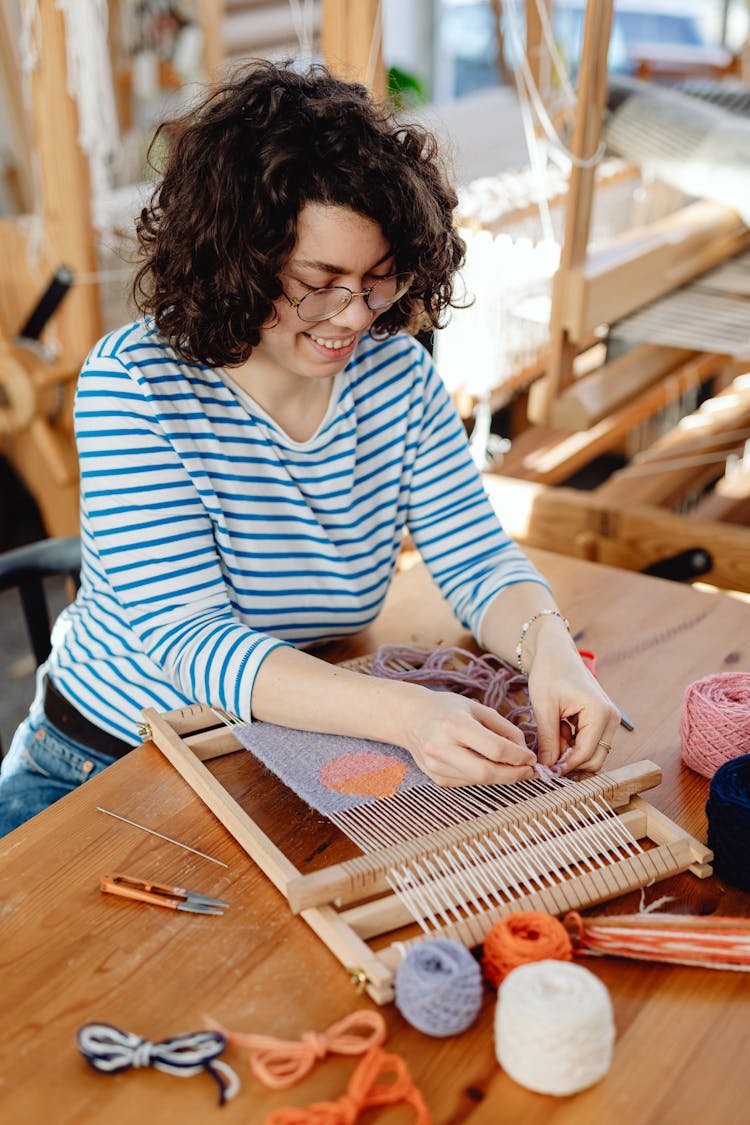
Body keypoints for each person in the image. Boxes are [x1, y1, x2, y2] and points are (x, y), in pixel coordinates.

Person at [0, 60, 619, 837]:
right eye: (319, 281)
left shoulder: (395, 377)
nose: (354, 316)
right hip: (105, 760)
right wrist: (405, 713)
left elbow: (476, 558)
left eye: (377, 281)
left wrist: (550, 652)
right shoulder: (135, 386)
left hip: (274, 750)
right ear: (238, 256)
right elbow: (192, 641)